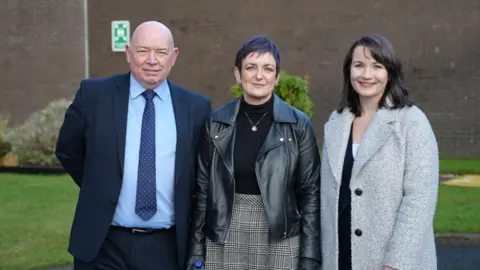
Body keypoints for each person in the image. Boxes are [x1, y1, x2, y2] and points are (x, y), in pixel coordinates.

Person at [55, 21, 212, 270]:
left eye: (161, 52)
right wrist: (100, 184)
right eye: (143, 51)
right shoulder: (94, 95)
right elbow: (68, 150)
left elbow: (202, 173)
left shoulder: (196, 108)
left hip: (166, 248)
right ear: (128, 53)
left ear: (174, 57)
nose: (152, 60)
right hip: (102, 244)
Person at [186, 35, 322, 270]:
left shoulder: (298, 125)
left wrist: (309, 256)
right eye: (251, 67)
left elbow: (310, 193)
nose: (259, 75)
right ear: (238, 74)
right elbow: (202, 191)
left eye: (268, 69)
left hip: (280, 235)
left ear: (276, 77)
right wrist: (196, 251)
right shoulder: (216, 123)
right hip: (225, 231)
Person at [320, 33, 439, 270]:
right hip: (340, 255)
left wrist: (396, 262)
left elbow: (420, 200)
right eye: (359, 65)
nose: (366, 74)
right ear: (349, 71)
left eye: (376, 66)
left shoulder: (412, 122)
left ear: (389, 73)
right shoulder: (336, 122)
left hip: (392, 261)